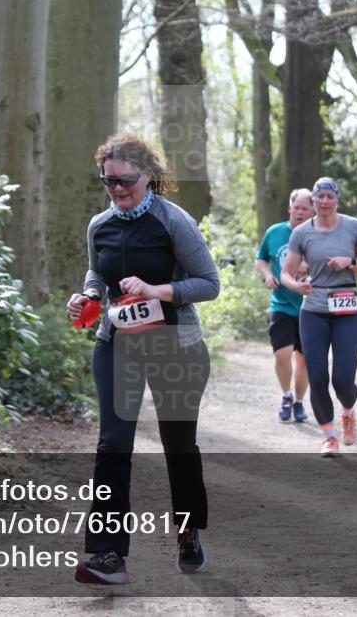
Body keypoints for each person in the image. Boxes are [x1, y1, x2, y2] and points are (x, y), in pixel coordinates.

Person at [67, 134, 220, 584]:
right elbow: (99, 270)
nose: (117, 188)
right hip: (118, 343)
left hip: (176, 345)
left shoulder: (173, 222)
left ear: (148, 175)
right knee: (112, 445)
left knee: (178, 446)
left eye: (126, 180)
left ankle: (188, 530)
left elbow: (209, 283)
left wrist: (159, 291)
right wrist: (89, 296)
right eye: (108, 180)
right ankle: (108, 555)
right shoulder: (100, 226)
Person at [280, 177, 357, 456]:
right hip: (314, 310)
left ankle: (347, 412)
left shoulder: (353, 227)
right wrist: (295, 285)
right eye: (319, 197)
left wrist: (351, 263)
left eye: (329, 197)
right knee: (318, 376)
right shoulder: (301, 233)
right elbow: (286, 272)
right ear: (313, 201)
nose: (324, 202)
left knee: (343, 380)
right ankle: (329, 435)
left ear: (336, 200)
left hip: (347, 310)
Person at [255, 189, 314, 422]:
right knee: (282, 355)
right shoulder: (275, 232)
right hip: (281, 303)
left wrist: (308, 268)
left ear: (312, 211)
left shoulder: (316, 234)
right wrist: (268, 274)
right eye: (296, 207)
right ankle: (286, 396)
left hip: (310, 306)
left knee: (305, 360)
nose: (299, 212)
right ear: (289, 208)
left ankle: (299, 403)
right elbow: (260, 258)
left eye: (304, 208)